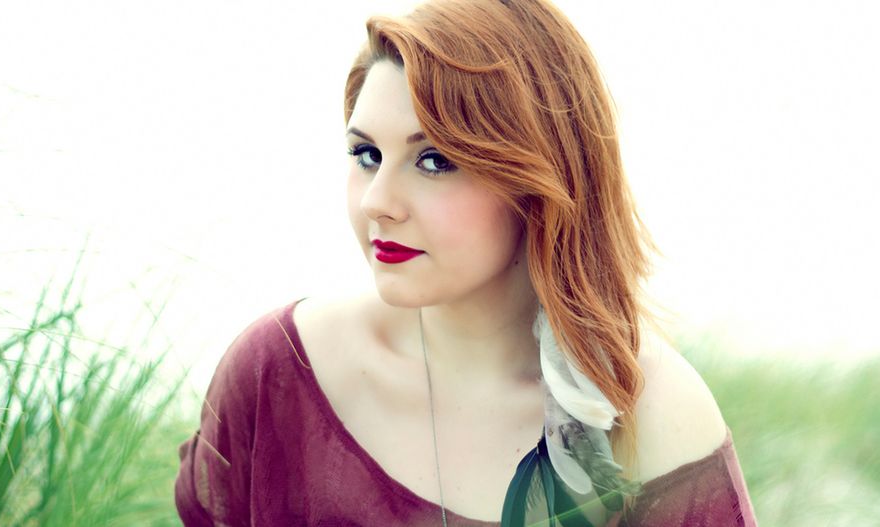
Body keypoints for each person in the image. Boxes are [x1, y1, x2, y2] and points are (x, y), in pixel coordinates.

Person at [175, 0, 757, 525]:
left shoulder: (651, 414)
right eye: (367, 154)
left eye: (434, 161)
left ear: (541, 178)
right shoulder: (281, 373)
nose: (377, 201)